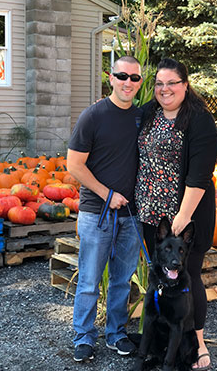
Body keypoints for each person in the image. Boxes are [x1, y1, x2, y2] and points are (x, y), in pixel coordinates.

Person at [135, 58, 217, 371]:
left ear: (185, 84)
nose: (164, 89)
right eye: (159, 83)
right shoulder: (149, 112)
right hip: (151, 214)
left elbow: (199, 175)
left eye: (172, 82)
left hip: (185, 214)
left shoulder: (199, 120)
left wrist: (182, 217)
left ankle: (197, 343)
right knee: (159, 275)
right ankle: (160, 341)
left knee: (188, 276)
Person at [67, 55, 143, 362]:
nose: (128, 82)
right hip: (95, 213)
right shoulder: (93, 116)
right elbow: (74, 164)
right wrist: (106, 193)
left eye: (134, 78)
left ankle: (116, 334)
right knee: (88, 280)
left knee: (122, 280)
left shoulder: (141, 117)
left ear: (139, 82)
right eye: (122, 76)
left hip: (131, 215)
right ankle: (84, 337)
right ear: (110, 78)